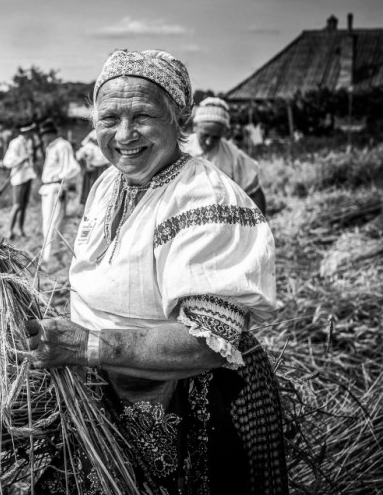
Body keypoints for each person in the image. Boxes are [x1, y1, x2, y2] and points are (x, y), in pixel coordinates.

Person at [25, 49, 287, 494]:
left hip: (182, 403)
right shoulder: (110, 182)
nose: (124, 135)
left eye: (143, 115)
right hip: (98, 389)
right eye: (109, 118)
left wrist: (89, 343)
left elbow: (206, 344)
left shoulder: (206, 201)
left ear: (179, 119)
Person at [185, 97, 267, 213]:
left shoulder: (234, 156)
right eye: (205, 135)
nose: (209, 141)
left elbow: (254, 193)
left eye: (215, 137)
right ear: (195, 127)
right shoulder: (180, 149)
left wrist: (259, 226)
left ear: (223, 133)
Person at [38, 120, 81, 265]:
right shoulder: (51, 147)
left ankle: (49, 258)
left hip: (55, 188)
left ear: (50, 134)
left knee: (53, 223)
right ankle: (51, 255)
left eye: (44, 135)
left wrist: (63, 183)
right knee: (48, 223)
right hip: (48, 187)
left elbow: (72, 168)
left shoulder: (62, 146)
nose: (43, 138)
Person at [2, 123, 38, 240]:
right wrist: (21, 159)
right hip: (19, 177)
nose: (32, 133)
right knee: (17, 205)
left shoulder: (29, 142)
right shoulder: (15, 143)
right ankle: (9, 230)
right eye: (30, 131)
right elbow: (7, 161)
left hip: (28, 175)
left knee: (24, 205)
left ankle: (20, 229)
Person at [74, 130, 107, 205]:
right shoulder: (90, 144)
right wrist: (86, 165)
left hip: (102, 168)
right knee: (91, 190)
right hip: (94, 170)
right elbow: (81, 155)